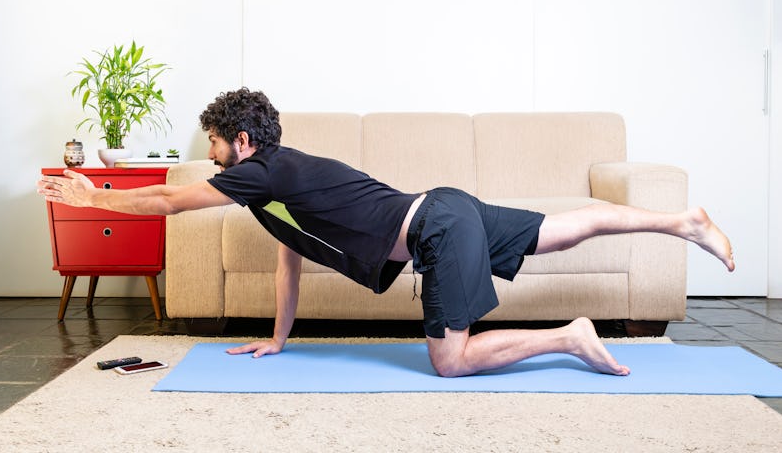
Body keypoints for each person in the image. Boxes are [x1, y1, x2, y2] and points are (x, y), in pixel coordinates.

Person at [37, 88, 735, 378]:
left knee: (450, 362)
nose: (211, 153)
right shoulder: (278, 181)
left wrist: (91, 193)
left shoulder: (260, 174)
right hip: (445, 208)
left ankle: (569, 338)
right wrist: (279, 338)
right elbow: (290, 262)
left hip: (436, 228)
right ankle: (682, 221)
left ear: (241, 142)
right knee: (565, 229)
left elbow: (165, 201)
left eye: (215, 143)